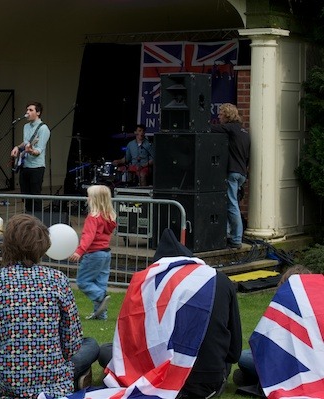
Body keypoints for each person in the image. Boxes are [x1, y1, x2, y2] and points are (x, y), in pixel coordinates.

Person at [99, 228, 242, 399]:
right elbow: (234, 352)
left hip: (160, 375)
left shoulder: (142, 283)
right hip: (205, 382)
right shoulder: (219, 280)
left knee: (108, 353)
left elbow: (128, 346)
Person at [0, 214, 99, 399]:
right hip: (54, 377)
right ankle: (75, 376)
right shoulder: (57, 280)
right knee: (91, 345)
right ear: (43, 245)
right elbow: (71, 345)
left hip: (9, 379)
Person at [233, 264, 312, 397]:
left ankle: (258, 379)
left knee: (244, 357)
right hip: (311, 364)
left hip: (291, 365)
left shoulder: (281, 307)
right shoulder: (316, 305)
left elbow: (266, 346)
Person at [68, 185, 116, 320]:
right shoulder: (109, 217)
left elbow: (88, 236)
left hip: (93, 254)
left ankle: (101, 297)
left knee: (83, 281)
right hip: (105, 254)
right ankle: (101, 316)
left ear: (95, 199)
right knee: (100, 282)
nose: (87, 198)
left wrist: (79, 251)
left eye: (89, 196)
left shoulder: (93, 218)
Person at [211, 103, 250, 249]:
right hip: (241, 173)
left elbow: (211, 128)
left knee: (232, 205)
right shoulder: (244, 132)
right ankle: (227, 233)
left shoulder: (231, 128)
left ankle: (236, 239)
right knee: (232, 204)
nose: (219, 117)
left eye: (221, 114)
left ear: (227, 115)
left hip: (232, 173)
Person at [10, 101, 51, 212]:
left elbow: (39, 150)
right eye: (27, 110)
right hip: (25, 166)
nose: (27, 112)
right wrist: (17, 148)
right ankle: (28, 220)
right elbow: (25, 143)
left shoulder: (43, 129)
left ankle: (37, 221)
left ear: (38, 112)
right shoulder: (26, 126)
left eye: (30, 110)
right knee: (25, 196)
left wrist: (31, 151)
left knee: (35, 195)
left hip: (36, 167)